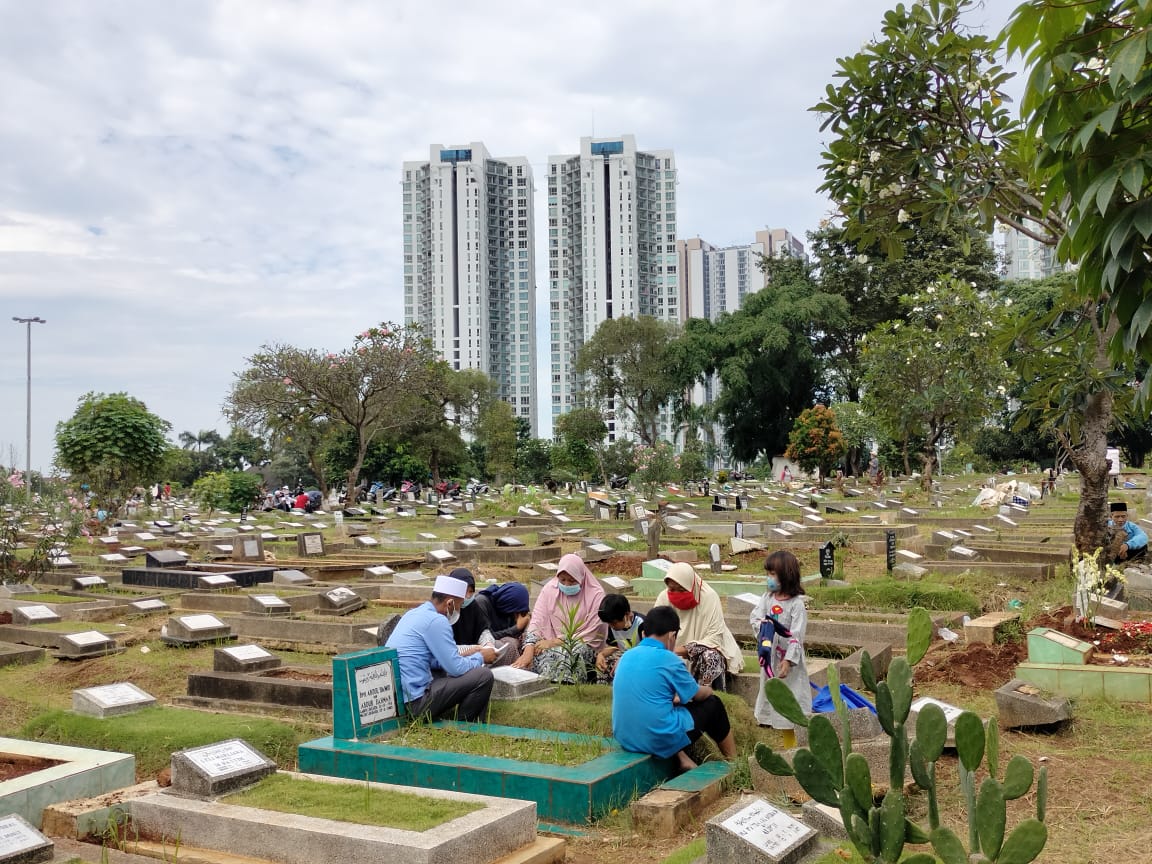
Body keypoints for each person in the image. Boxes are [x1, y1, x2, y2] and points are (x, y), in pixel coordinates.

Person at [611, 606, 737, 773]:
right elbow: (698, 696)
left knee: (666, 708)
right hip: (657, 739)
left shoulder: (626, 656)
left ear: (643, 634)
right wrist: (708, 689)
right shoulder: (669, 659)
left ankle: (683, 758)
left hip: (625, 737)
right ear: (672, 636)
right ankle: (734, 763)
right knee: (714, 705)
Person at [384, 574, 495, 722]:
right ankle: (465, 724)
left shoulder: (414, 613)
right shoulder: (437, 621)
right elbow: (456, 668)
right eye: (459, 605)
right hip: (415, 704)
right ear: (449, 603)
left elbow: (433, 660)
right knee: (484, 675)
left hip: (400, 702)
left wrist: (466, 655)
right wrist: (482, 657)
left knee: (445, 669)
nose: (459, 611)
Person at [513, 553, 608, 683]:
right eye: (562, 580)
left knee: (573, 651)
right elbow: (536, 622)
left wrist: (554, 642)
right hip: (547, 641)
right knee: (534, 649)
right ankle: (539, 682)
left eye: (572, 580)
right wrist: (528, 649)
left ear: (581, 577)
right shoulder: (549, 590)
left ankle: (567, 683)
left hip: (581, 644)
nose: (567, 585)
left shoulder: (596, 595)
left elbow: (593, 632)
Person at [751, 550, 811, 746]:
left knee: (790, 701)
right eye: (768, 574)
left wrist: (788, 660)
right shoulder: (767, 598)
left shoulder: (796, 605)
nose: (769, 578)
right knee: (773, 697)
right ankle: (787, 744)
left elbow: (796, 634)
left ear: (786, 575)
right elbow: (756, 618)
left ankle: (793, 746)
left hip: (788, 662)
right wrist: (765, 632)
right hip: (771, 657)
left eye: (772, 574)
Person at [652, 562, 743, 688]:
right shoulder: (664, 598)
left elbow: (714, 639)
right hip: (671, 650)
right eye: (672, 589)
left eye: (682, 589)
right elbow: (654, 631)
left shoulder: (709, 597)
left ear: (691, 585)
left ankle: (710, 698)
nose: (676, 594)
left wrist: (681, 650)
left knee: (711, 657)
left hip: (704, 649)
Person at [448, 568, 519, 666]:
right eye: (464, 591)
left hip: (478, 650)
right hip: (453, 658)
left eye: (471, 591)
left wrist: (488, 644)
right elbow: (445, 650)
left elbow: (483, 630)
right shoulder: (445, 609)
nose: (467, 596)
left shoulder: (473, 606)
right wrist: (474, 650)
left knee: (508, 646)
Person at [595, 593, 646, 682]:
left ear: (627, 614)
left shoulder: (642, 624)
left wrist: (625, 659)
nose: (612, 626)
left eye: (614, 623)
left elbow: (647, 651)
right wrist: (601, 654)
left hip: (641, 659)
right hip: (623, 657)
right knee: (604, 663)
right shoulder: (612, 626)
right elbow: (614, 646)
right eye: (609, 623)